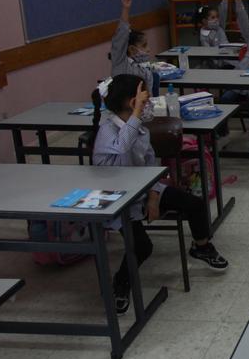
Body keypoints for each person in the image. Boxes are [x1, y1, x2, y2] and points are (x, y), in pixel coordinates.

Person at [90, 74, 228, 314]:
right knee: (142, 246)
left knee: (194, 204)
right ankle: (121, 284)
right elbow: (122, 146)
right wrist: (135, 114)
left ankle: (201, 246)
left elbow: (151, 167)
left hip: (143, 191)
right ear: (130, 102)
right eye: (145, 99)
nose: (150, 104)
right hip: (117, 200)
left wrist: (154, 196)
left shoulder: (140, 131)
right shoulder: (107, 130)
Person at [110, 0, 158, 95]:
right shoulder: (121, 63)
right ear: (131, 49)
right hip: (124, 109)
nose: (148, 49)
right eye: (144, 45)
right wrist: (126, 9)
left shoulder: (144, 70)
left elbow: (148, 98)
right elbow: (121, 34)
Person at [195, 0, 238, 68]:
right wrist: (217, 66)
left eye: (217, 17)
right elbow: (209, 54)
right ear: (204, 21)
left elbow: (224, 10)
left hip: (230, 60)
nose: (216, 19)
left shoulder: (219, 26)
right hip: (216, 65)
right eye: (213, 17)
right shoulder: (203, 35)